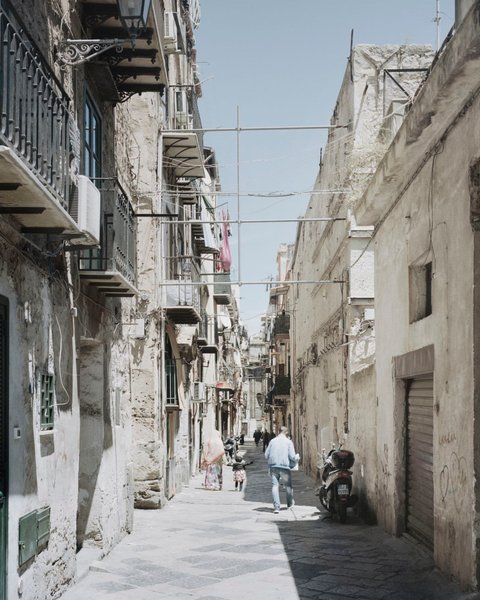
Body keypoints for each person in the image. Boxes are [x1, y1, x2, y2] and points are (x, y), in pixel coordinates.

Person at [265, 426, 299, 513]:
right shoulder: (288, 442)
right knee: (288, 486)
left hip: (273, 467)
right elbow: (292, 456)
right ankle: (289, 504)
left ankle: (276, 507)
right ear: (286, 432)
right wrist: (297, 458)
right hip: (284, 467)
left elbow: (266, 455)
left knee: (274, 486)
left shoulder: (272, 441)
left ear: (278, 431)